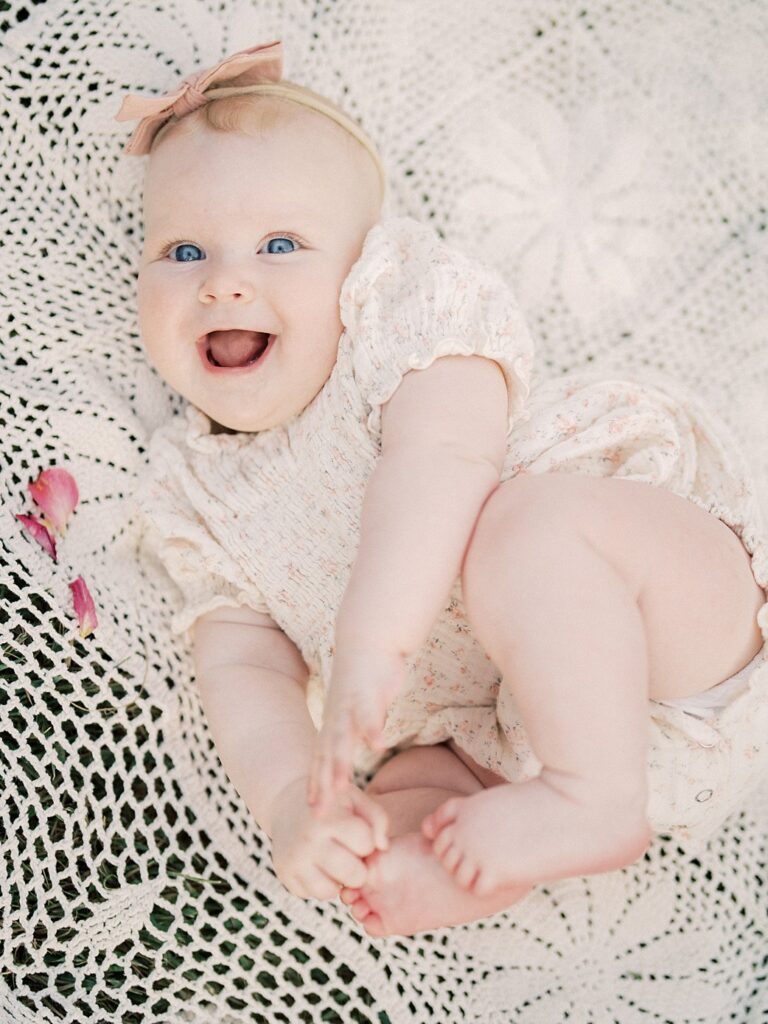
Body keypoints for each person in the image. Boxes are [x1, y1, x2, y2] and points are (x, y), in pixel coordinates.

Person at [119, 40, 768, 938]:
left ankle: (594, 796)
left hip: (674, 626)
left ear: (362, 265)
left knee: (525, 531)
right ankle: (482, 857)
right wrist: (291, 804)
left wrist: (371, 647)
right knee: (399, 804)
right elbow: (242, 668)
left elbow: (442, 463)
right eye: (182, 250)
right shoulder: (195, 498)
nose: (226, 279)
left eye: (280, 244)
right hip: (513, 743)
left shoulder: (401, 323)